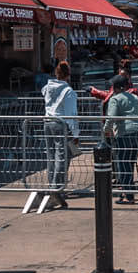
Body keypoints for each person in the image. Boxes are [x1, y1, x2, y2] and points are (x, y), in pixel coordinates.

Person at [103, 73, 138, 203]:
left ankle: (128, 194)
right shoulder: (134, 97)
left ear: (115, 87)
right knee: (129, 163)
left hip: (124, 134)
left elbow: (111, 117)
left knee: (122, 164)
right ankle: (127, 191)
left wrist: (106, 130)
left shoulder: (115, 99)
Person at [41, 62, 78, 205]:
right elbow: (71, 114)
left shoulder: (48, 87)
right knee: (63, 157)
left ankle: (52, 185)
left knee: (51, 155)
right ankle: (57, 188)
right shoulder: (68, 91)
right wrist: (75, 133)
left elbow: (43, 91)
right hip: (61, 124)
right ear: (68, 75)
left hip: (48, 122)